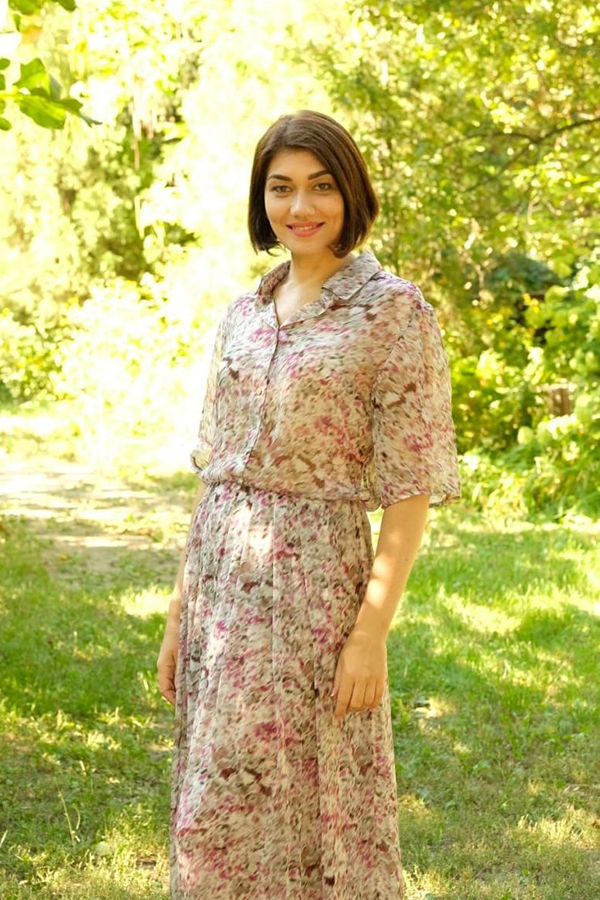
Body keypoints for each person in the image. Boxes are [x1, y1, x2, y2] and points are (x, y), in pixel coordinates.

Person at [157, 109, 461, 899]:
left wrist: (371, 635)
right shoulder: (244, 313)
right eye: (281, 187)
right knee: (213, 808)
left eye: (321, 186)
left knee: (313, 797)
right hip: (221, 587)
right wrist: (179, 611)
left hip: (316, 592)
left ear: (350, 193)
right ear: (261, 199)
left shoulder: (393, 312)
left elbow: (410, 490)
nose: (300, 207)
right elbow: (217, 472)